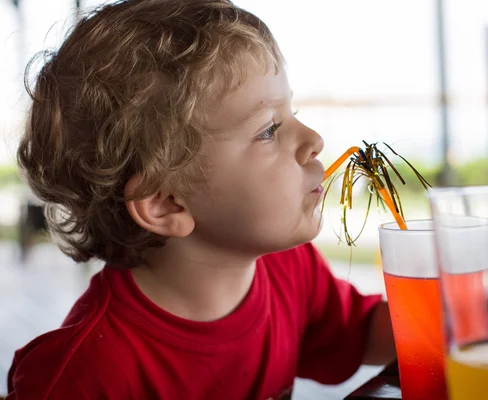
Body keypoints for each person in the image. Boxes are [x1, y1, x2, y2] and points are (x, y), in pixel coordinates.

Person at [7, 1, 395, 399]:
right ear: (163, 202)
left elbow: (363, 334)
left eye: (291, 111)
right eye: (268, 130)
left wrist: (454, 293)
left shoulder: (288, 269)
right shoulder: (84, 377)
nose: (314, 140)